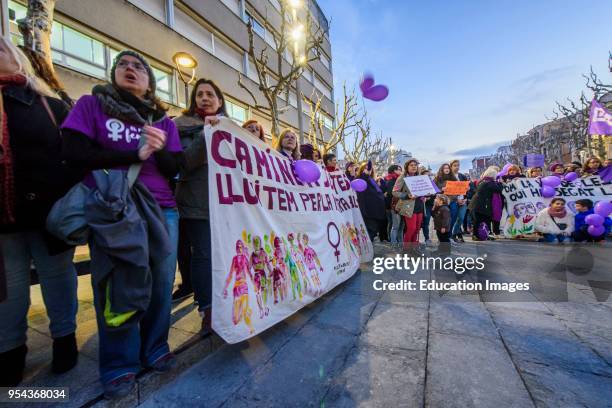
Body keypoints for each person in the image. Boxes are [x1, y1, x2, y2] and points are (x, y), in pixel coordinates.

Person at [61, 50, 182, 399]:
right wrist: (134, 155)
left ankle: (156, 346)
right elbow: (74, 154)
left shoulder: (163, 121)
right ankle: (118, 363)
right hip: (113, 208)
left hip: (162, 209)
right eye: (122, 65)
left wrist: (158, 150)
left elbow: (173, 168)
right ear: (113, 74)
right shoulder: (91, 105)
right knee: (117, 285)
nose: (130, 69)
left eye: (138, 66)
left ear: (149, 81)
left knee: (161, 282)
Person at [0, 37, 84, 387]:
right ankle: (10, 349)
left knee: (58, 278)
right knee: (10, 289)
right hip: (5, 219)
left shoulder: (48, 105)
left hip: (51, 212)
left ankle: (64, 338)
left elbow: (75, 152)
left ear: (17, 58)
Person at [173, 78, 227, 339]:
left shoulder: (230, 128)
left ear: (219, 101)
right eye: (200, 95)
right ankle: (208, 309)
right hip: (197, 204)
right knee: (204, 256)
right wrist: (206, 134)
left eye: (210, 94)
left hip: (228, 205)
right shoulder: (181, 126)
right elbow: (184, 163)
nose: (205, 98)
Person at [392, 159, 425, 248]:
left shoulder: (420, 177)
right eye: (411, 165)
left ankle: (414, 248)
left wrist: (426, 194)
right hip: (409, 206)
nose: (414, 166)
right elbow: (395, 192)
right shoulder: (403, 177)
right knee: (411, 228)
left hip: (420, 205)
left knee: (417, 229)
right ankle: (406, 249)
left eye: (415, 165)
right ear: (407, 167)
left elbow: (423, 190)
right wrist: (407, 195)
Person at [469, 167, 503, 241]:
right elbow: (499, 190)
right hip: (480, 206)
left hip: (476, 205)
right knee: (479, 221)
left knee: (479, 221)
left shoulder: (483, 181)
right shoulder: (489, 183)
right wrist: (500, 182)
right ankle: (477, 236)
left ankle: (482, 235)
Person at [356, 163, 386, 241]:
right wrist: (364, 175)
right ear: (362, 170)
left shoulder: (371, 179)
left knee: (374, 230)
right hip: (369, 211)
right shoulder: (361, 178)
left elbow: (377, 192)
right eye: (365, 168)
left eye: (369, 168)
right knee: (371, 230)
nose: (368, 170)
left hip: (376, 210)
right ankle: (367, 249)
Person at [449, 160, 469, 242]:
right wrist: (456, 199)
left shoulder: (462, 176)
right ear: (451, 166)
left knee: (461, 218)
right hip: (453, 201)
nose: (457, 167)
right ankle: (453, 235)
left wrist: (465, 197)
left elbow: (467, 189)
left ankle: (454, 233)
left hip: (463, 200)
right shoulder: (449, 177)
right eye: (455, 165)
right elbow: (448, 191)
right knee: (453, 218)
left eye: (458, 165)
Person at [384, 164, 403, 244]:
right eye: (399, 169)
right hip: (393, 207)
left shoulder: (399, 180)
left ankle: (399, 242)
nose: (401, 171)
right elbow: (391, 194)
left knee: (399, 226)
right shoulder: (391, 181)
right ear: (394, 170)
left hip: (400, 206)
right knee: (394, 226)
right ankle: (392, 242)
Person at [420, 168, 434, 245]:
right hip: (421, 206)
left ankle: (427, 238)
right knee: (422, 223)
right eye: (426, 175)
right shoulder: (419, 183)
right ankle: (424, 238)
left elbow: (435, 194)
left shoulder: (432, 183)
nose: (428, 177)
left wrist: (430, 197)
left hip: (430, 205)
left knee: (426, 222)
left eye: (429, 175)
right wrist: (423, 198)